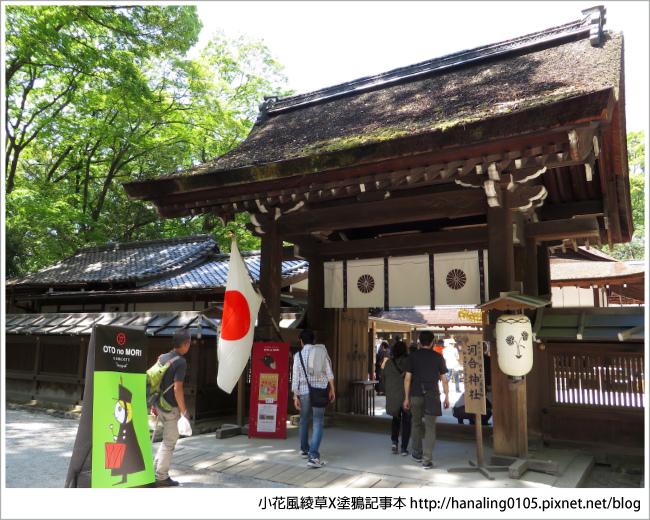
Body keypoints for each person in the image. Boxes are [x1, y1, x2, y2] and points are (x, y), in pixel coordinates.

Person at [403, 330, 450, 470]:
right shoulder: (438, 357)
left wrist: (406, 398)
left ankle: (417, 453)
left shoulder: (413, 356)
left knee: (416, 423)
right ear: (432, 342)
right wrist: (447, 396)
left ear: (419, 342)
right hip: (433, 395)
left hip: (416, 394)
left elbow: (407, 378)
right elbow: (444, 380)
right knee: (430, 427)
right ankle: (426, 460)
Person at [292, 329, 335, 468]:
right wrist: (332, 388)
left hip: (304, 392)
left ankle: (305, 450)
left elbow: (295, 377)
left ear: (301, 341)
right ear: (314, 341)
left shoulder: (298, 355)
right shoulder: (321, 351)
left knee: (303, 421)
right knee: (318, 422)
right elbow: (328, 372)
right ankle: (314, 455)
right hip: (320, 391)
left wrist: (295, 396)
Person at [153, 328, 191, 487]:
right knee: (170, 441)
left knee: (165, 440)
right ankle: (161, 476)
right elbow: (177, 389)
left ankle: (156, 470)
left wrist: (152, 405)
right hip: (170, 408)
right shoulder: (180, 362)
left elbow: (156, 381)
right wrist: (184, 411)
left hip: (158, 405)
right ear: (186, 344)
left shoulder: (162, 358)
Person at [381, 340, 411, 456]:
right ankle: (404, 448)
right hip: (406, 395)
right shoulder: (409, 362)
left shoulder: (388, 363)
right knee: (407, 420)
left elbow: (383, 377)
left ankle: (394, 442)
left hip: (393, 395)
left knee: (395, 418)